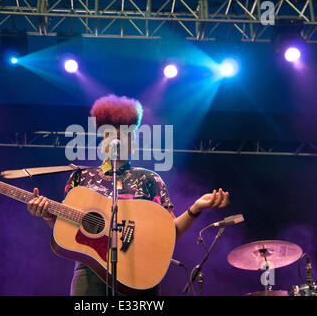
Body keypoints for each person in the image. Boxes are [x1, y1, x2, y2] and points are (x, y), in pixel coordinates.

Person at [26, 94, 230, 296]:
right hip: (89, 274)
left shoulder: (150, 180)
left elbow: (170, 233)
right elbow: (67, 232)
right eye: (111, 134)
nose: (118, 139)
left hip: (138, 274)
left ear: (133, 139)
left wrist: (196, 208)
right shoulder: (80, 178)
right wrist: (47, 215)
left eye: (125, 134)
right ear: (103, 138)